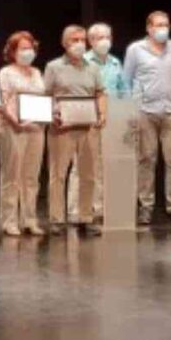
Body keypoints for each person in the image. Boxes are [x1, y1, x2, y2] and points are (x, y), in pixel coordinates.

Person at [123, 10, 171, 227]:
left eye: (166, 24)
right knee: (146, 160)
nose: (163, 28)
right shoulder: (136, 50)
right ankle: (145, 208)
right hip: (145, 112)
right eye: (159, 25)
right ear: (149, 28)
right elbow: (125, 82)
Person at [44, 25, 107, 236]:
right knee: (58, 174)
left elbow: (100, 93)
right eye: (74, 40)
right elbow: (46, 94)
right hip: (62, 129)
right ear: (64, 43)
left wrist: (102, 113)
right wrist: (53, 113)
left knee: (88, 174)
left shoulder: (93, 68)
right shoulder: (53, 67)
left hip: (88, 128)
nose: (79, 44)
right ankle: (57, 219)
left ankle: (85, 217)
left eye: (82, 40)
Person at [66, 22, 127, 222]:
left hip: (110, 117)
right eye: (100, 38)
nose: (105, 41)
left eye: (108, 37)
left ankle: (97, 207)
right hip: (87, 115)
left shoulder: (116, 63)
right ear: (91, 41)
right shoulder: (82, 61)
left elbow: (123, 90)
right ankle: (75, 209)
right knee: (81, 164)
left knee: (101, 165)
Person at [0, 31, 46, 237]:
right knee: (12, 175)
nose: (27, 52)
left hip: (36, 128)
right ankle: (9, 220)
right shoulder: (6, 73)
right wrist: (13, 121)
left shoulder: (36, 73)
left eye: (30, 48)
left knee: (31, 176)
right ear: (13, 51)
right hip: (12, 127)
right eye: (22, 48)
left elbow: (44, 99)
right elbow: (1, 101)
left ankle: (30, 219)